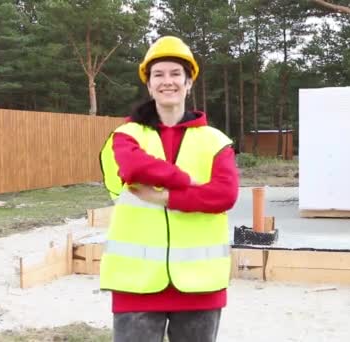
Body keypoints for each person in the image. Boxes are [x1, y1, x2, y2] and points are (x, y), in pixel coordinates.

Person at [99, 35, 239, 342]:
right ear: (148, 85)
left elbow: (225, 195)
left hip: (199, 285)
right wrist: (187, 181)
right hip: (136, 284)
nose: (167, 81)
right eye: (158, 75)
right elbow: (135, 168)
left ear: (189, 82)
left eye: (176, 74)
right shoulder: (126, 134)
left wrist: (167, 197)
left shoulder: (215, 140)